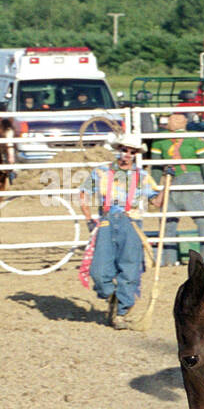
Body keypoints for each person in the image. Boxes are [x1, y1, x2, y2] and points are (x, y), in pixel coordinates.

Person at [78, 134, 161, 328]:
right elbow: (84, 193)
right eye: (125, 150)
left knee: (130, 268)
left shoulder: (142, 176)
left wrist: (168, 184)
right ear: (119, 150)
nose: (127, 154)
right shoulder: (100, 172)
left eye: (132, 152)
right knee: (99, 271)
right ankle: (111, 293)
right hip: (106, 222)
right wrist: (89, 218)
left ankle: (121, 313)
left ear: (136, 154)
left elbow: (157, 201)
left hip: (131, 223)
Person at [150, 112, 204, 266]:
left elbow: (156, 167)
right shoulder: (194, 138)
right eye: (173, 118)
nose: (173, 121)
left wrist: (155, 187)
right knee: (202, 221)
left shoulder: (160, 139)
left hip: (174, 181)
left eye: (176, 118)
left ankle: (169, 260)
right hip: (187, 181)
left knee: (169, 223)